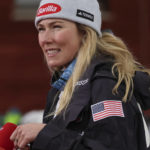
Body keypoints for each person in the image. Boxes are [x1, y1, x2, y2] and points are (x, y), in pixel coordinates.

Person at [10, 0, 150, 149]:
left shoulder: (106, 83)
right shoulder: (60, 89)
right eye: (41, 28)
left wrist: (45, 134)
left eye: (56, 26)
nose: (45, 39)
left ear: (84, 32)